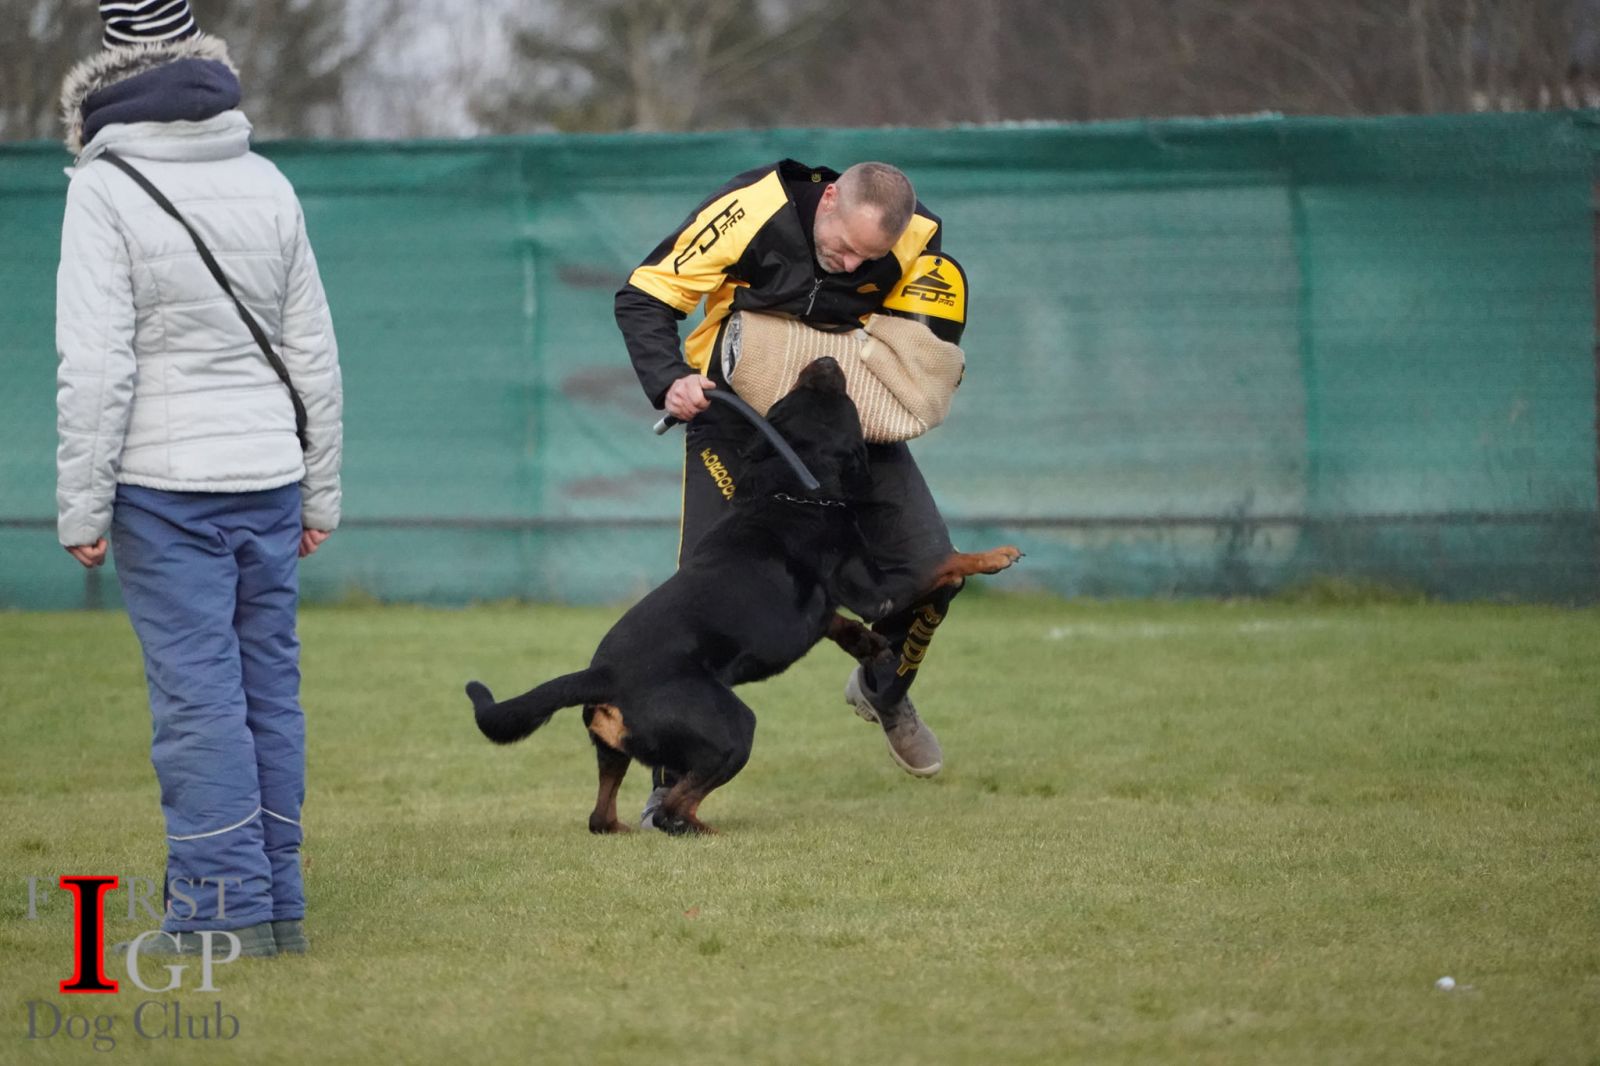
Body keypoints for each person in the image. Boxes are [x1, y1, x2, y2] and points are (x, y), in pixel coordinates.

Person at [55, 0, 342, 957]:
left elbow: (98, 364)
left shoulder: (104, 187)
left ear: (108, 72)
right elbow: (313, 356)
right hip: (269, 476)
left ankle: (222, 911)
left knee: (199, 701)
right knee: (268, 692)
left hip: (164, 486)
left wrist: (81, 505)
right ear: (204, 62)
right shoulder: (266, 178)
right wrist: (320, 490)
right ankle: (278, 904)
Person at [615, 159, 966, 828]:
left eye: (867, 258)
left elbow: (919, 340)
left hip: (844, 422)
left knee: (933, 569)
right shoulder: (752, 210)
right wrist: (669, 378)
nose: (849, 265)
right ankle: (669, 787)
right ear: (828, 199)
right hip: (736, 421)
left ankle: (884, 688)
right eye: (843, 247)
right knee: (700, 598)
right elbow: (644, 296)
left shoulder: (920, 239)